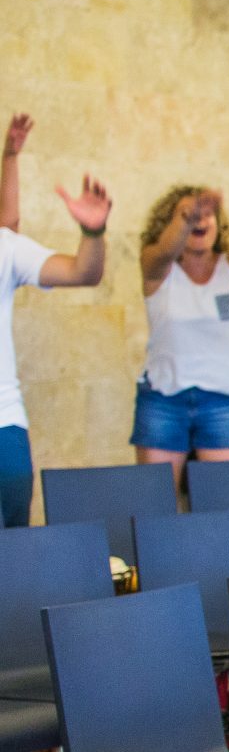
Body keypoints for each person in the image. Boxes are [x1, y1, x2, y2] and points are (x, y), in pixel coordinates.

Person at [0, 114, 110, 526]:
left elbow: (83, 272)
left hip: (3, 431)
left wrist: (93, 233)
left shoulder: (4, 247)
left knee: (12, 554)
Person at [132, 185, 229, 478]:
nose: (200, 221)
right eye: (190, 214)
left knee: (224, 495)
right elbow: (165, 250)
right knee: (157, 496)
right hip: (165, 397)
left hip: (224, 398)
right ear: (170, 223)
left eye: (207, 215)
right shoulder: (157, 266)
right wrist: (186, 217)